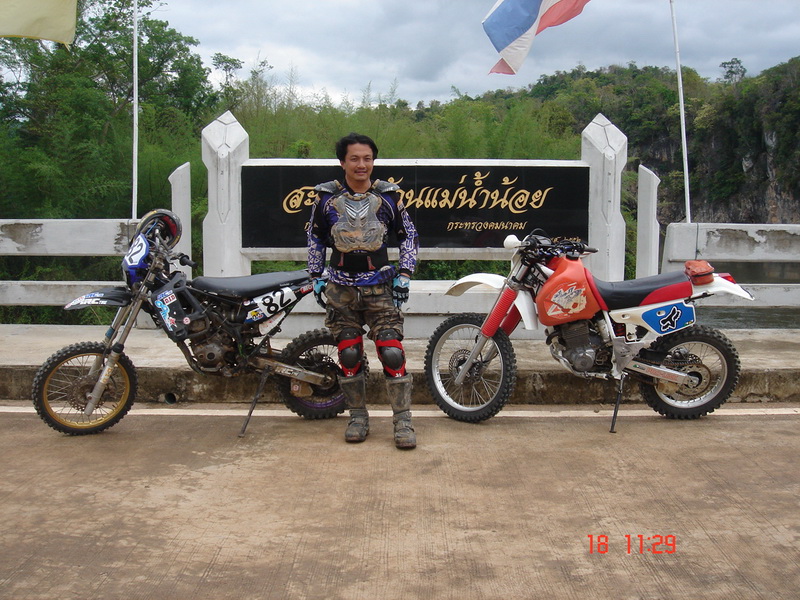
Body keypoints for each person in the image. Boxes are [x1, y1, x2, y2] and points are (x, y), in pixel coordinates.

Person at [307, 132, 419, 449]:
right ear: (342, 162)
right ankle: (357, 417)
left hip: (380, 286)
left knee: (392, 351)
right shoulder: (325, 199)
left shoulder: (389, 198)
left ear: (373, 161)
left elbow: (409, 236)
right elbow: (315, 238)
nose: (361, 164)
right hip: (340, 287)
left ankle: (403, 421)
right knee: (349, 353)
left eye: (367, 158)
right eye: (354, 158)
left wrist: (405, 273)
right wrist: (316, 275)